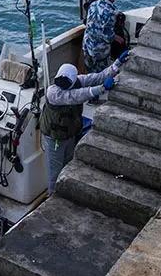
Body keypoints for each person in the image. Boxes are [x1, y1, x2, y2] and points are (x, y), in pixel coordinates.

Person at [40, 52, 130, 195]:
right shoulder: (53, 93)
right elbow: (76, 96)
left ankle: (65, 191)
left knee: (68, 164)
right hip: (54, 139)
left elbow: (98, 77)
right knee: (55, 172)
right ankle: (53, 196)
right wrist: (101, 89)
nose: (62, 85)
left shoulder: (78, 80)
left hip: (69, 134)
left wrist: (117, 64)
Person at [82, 0, 119, 73]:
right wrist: (116, 37)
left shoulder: (93, 4)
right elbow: (107, 36)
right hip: (100, 51)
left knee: (89, 70)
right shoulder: (111, 12)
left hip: (87, 46)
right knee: (100, 74)